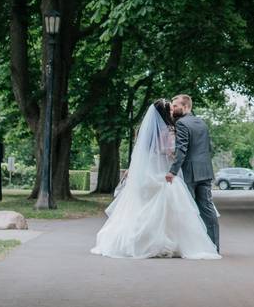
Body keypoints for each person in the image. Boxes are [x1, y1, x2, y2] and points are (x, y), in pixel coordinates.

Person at [91, 100, 221, 260]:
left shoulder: (147, 131)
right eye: (171, 107)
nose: (173, 110)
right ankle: (173, 242)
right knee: (174, 205)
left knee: (146, 207)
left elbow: (142, 153)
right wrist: (174, 160)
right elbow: (169, 151)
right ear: (166, 113)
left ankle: (145, 240)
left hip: (149, 170)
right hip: (163, 170)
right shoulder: (170, 129)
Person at [167, 94, 220, 252]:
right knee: (207, 208)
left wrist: (172, 171)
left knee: (188, 209)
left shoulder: (182, 123)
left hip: (190, 171)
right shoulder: (202, 123)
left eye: (176, 105)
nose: (173, 108)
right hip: (205, 170)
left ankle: (191, 246)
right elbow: (208, 147)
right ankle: (213, 247)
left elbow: (181, 149)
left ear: (186, 106)